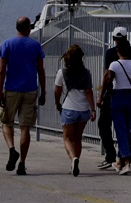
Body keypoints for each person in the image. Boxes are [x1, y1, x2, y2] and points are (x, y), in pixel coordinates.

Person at [0, 16, 46, 175]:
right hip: (30, 90)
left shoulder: (7, 44)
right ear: (28, 28)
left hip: (11, 89)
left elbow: (2, 70)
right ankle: (22, 163)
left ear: (17, 27)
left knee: (6, 122)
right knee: (25, 128)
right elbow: (41, 70)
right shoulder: (35, 46)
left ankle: (12, 149)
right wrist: (43, 91)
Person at [96, 26, 131, 169]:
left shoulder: (111, 53)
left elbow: (107, 76)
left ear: (114, 39)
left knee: (104, 124)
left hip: (113, 95)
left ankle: (112, 156)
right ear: (126, 37)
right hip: (130, 95)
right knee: (126, 128)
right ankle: (124, 158)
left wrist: (101, 96)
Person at [53, 44, 96, 177]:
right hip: (83, 111)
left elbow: (57, 90)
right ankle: (75, 161)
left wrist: (57, 103)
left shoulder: (62, 72)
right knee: (78, 138)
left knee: (67, 139)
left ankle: (73, 159)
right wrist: (93, 109)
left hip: (69, 109)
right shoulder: (86, 73)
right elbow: (89, 91)